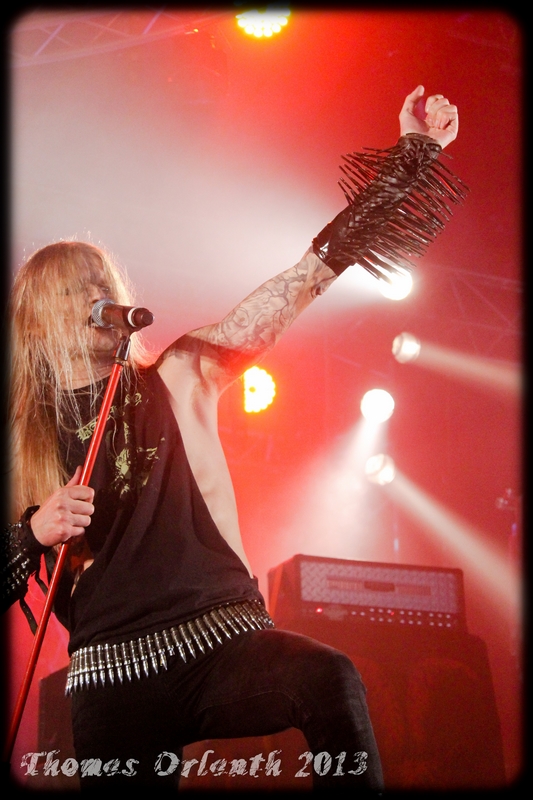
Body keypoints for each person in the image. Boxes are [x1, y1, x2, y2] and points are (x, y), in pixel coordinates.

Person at [3, 86, 466, 790]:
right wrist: (33, 532)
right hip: (112, 674)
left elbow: (305, 278)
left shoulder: (181, 373)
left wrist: (412, 158)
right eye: (72, 288)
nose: (94, 293)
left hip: (219, 637)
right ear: (38, 316)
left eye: (100, 279)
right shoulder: (23, 443)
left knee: (328, 676)